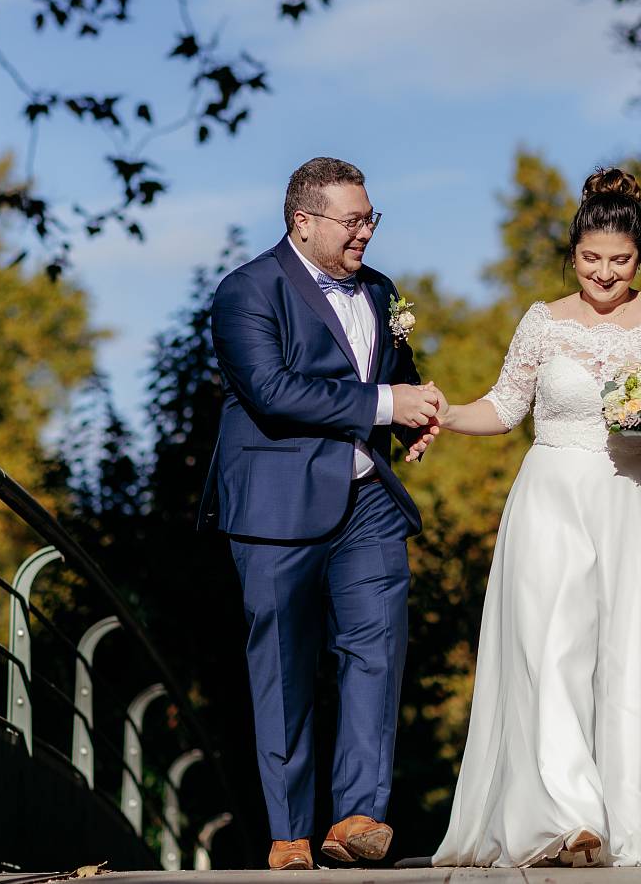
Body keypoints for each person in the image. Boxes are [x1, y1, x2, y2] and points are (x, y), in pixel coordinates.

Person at [413, 168, 641, 867]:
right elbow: (505, 408)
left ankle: (628, 812)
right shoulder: (543, 322)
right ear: (573, 254)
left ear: (640, 258)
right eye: (592, 259)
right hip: (549, 496)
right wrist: (442, 415)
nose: (605, 273)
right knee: (551, 648)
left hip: (632, 502)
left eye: (620, 261)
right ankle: (571, 818)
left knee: (624, 657)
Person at [198, 157, 441, 871]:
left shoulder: (382, 291)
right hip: (275, 506)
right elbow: (272, 391)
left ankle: (359, 818)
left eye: (371, 218)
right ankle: (290, 833)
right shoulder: (246, 290)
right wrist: (384, 405)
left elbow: (391, 379)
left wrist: (411, 412)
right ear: (302, 222)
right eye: (353, 220)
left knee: (377, 653)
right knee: (282, 664)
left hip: (368, 501)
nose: (366, 231)